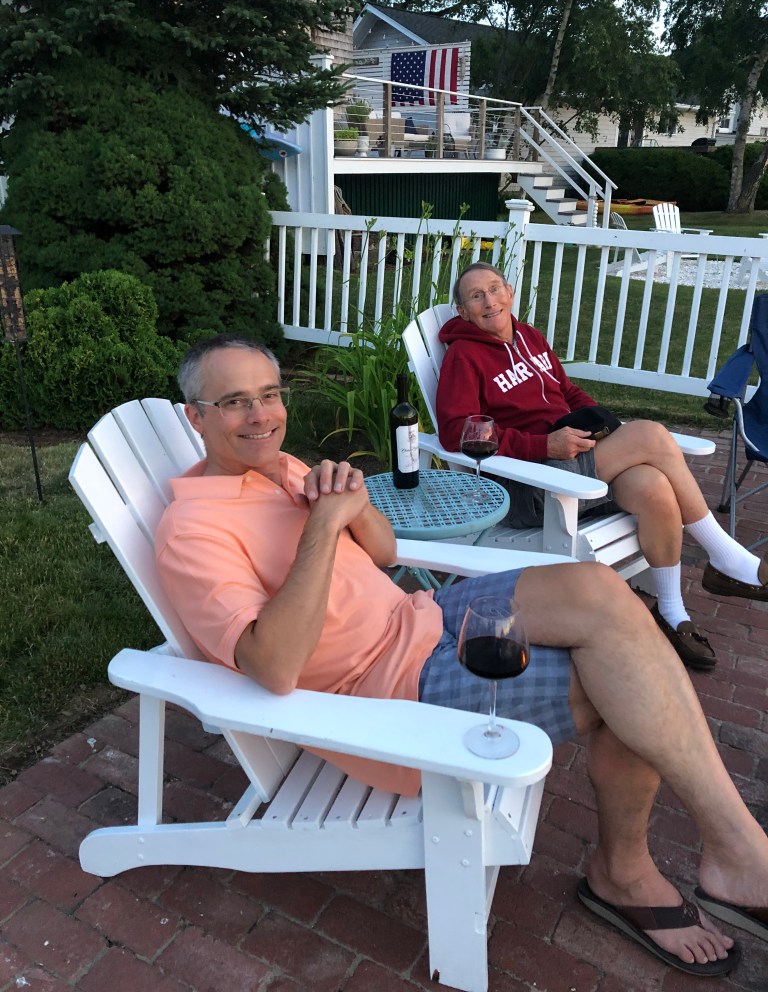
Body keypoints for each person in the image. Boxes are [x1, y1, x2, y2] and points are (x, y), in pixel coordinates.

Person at [154, 333, 768, 978]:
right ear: (195, 416)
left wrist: (353, 503)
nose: (260, 415)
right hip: (387, 697)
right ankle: (643, 871)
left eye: (269, 394)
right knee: (624, 678)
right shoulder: (192, 533)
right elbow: (275, 666)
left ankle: (734, 848)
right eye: (234, 402)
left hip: (420, 619)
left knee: (601, 590)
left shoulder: (278, 467)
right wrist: (324, 526)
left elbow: (384, 552)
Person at [435, 262, 768, 672]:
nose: (489, 301)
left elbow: (565, 391)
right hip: (530, 484)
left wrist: (600, 422)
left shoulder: (530, 338)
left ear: (510, 293)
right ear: (463, 311)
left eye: (494, 289)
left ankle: (672, 612)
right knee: (650, 435)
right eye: (476, 296)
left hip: (572, 461)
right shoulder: (464, 356)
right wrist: (544, 445)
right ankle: (726, 556)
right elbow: (455, 432)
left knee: (653, 485)